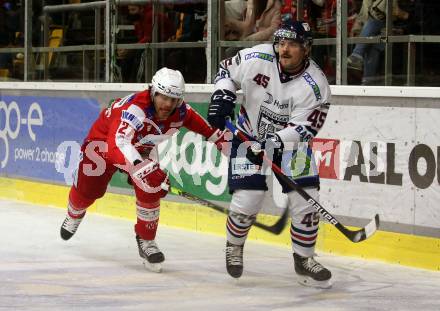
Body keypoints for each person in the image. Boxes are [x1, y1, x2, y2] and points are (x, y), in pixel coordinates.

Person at [60, 67, 228, 269]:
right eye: (163, 97)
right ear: (153, 92)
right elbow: (118, 143)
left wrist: (230, 148)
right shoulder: (135, 109)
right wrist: (140, 167)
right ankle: (74, 213)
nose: (168, 104)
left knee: (151, 187)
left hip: (142, 149)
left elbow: (210, 131)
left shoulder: (181, 112)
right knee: (89, 190)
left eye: (173, 99)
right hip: (103, 145)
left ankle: (146, 240)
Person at [207, 20, 333, 288]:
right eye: (281, 43)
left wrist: (271, 144)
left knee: (307, 200)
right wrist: (222, 95)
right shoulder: (257, 56)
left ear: (307, 48)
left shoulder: (317, 85)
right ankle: (234, 246)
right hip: (247, 135)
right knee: (248, 198)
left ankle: (304, 258)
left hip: (291, 145)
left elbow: (305, 129)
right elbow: (225, 70)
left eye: (293, 45)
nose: (284, 50)